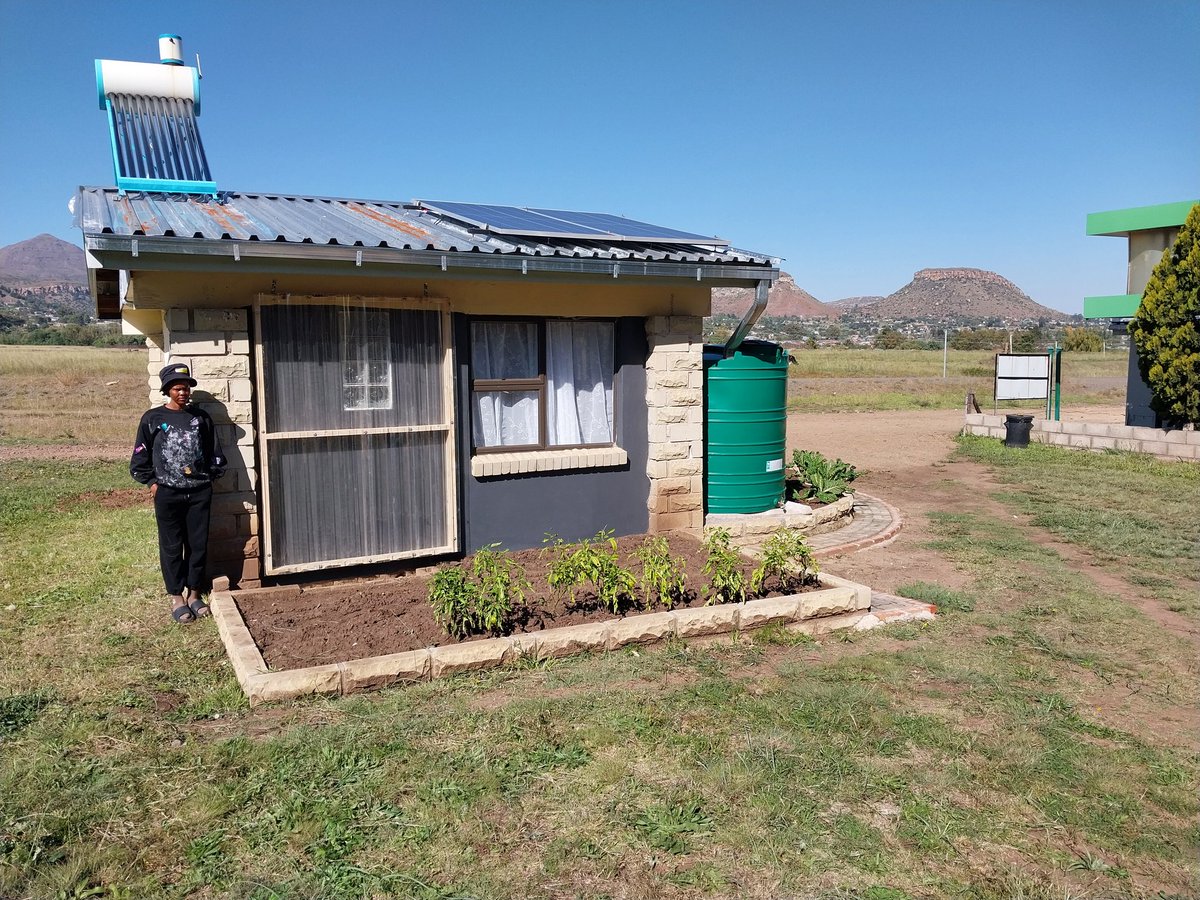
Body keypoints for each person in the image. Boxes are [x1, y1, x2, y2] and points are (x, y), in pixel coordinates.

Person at [131, 363, 226, 624]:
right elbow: (140, 457)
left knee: (197, 544)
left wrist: (209, 479)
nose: (183, 393)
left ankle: (194, 593)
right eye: (177, 389)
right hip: (168, 495)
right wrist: (153, 484)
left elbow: (214, 453)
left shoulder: (201, 418)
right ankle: (176, 597)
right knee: (172, 545)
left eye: (185, 388)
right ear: (167, 391)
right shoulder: (152, 419)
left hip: (199, 494)